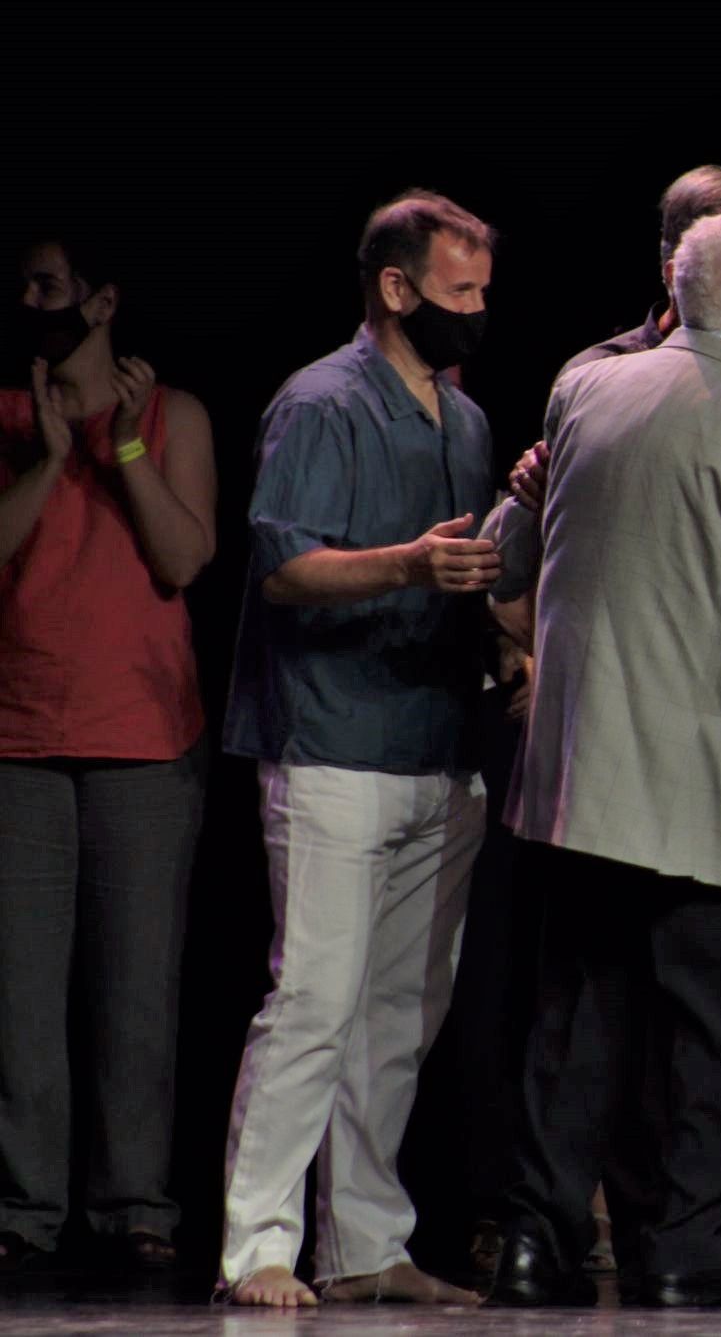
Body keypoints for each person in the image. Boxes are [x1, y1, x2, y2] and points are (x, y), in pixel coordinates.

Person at [481, 165, 721, 1295]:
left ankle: (531, 1239)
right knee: (712, 1037)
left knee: (577, 1026)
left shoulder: (582, 388)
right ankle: (685, 1256)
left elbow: (518, 557)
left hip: (586, 776)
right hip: (716, 776)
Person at [216, 190, 502, 1308]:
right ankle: (257, 1244)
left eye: (484, 292)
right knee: (315, 999)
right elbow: (284, 566)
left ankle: (366, 1239)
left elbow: (467, 572)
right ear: (396, 287)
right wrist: (407, 566)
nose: (476, 311)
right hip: (334, 739)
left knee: (401, 1010)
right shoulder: (320, 404)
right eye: (459, 290)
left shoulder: (465, 420)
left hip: (437, 744)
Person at [0, 238, 214, 1275]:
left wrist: (123, 445)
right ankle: (24, 1207)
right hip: (18, 740)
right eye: (23, 283)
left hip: (144, 741)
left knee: (137, 994)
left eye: (46, 283)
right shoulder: (3, 414)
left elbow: (183, 559)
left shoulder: (176, 415)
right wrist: (46, 460)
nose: (28, 299)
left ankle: (136, 1203)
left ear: (102, 299)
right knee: (20, 998)